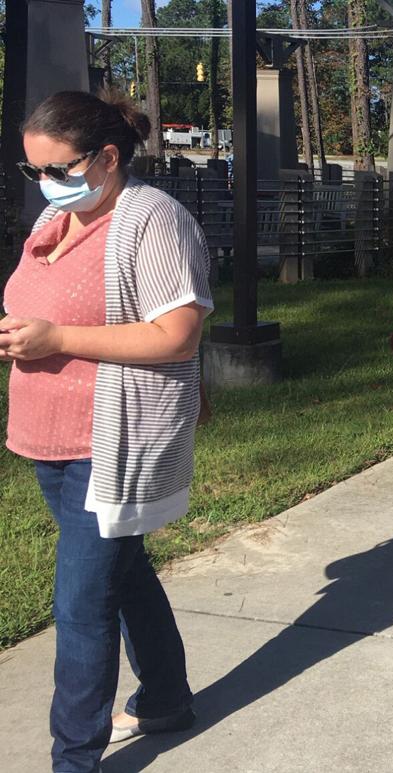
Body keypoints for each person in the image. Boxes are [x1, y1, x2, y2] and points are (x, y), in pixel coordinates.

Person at [3, 90, 211, 773]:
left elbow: (176, 335)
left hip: (112, 440)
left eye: (56, 169)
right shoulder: (55, 221)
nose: (44, 185)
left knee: (81, 604)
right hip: (49, 439)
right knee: (122, 573)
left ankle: (74, 759)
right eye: (31, 172)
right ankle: (167, 695)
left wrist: (56, 335)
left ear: (107, 158)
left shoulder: (152, 221)